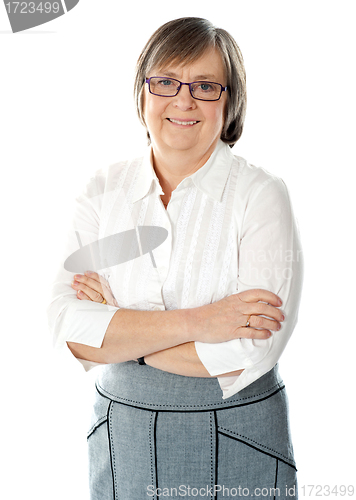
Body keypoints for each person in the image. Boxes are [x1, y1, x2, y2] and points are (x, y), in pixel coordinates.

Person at [47, 17, 303, 499]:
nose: (183, 100)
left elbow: (249, 351)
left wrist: (121, 331)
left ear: (230, 102)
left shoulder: (260, 194)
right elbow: (66, 328)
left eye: (205, 86)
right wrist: (206, 320)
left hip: (237, 432)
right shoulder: (102, 191)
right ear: (142, 91)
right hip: (123, 433)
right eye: (165, 81)